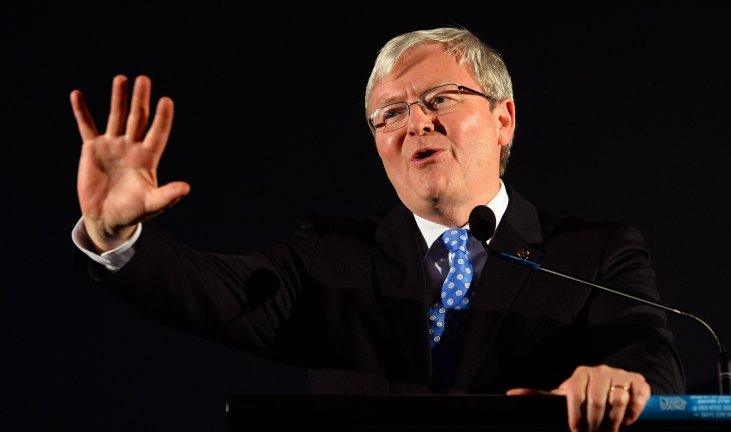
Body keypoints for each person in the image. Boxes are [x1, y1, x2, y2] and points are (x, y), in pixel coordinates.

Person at [70, 28, 685, 432]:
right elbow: (213, 292)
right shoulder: (329, 257)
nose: (415, 123)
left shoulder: (594, 251)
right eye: (389, 114)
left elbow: (649, 352)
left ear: (504, 120)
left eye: (441, 99)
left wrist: (625, 382)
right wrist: (114, 236)